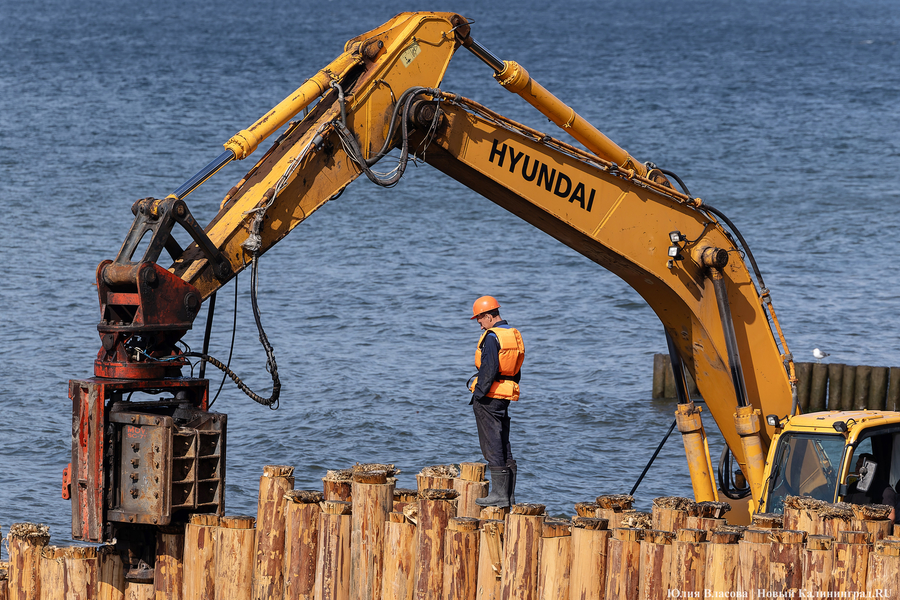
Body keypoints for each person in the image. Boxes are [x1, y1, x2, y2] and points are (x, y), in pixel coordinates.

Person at [467, 295, 525, 508]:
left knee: (492, 445)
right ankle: (508, 496)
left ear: (489, 316)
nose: (479, 324)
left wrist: (479, 395)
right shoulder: (512, 334)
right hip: (505, 395)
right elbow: (516, 369)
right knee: (503, 443)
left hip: (490, 396)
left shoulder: (492, 337)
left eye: (480, 319)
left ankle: (499, 496)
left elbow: (489, 368)